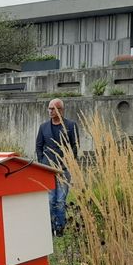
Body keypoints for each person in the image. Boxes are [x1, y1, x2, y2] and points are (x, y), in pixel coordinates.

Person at [35, 98, 79, 237]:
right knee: (49, 200)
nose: (50, 111)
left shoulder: (71, 125)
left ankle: (60, 229)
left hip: (63, 169)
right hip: (48, 169)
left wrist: (68, 161)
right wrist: (42, 161)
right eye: (49, 108)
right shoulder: (43, 127)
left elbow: (75, 145)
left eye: (53, 109)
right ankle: (50, 229)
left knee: (60, 200)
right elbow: (39, 146)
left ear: (61, 110)